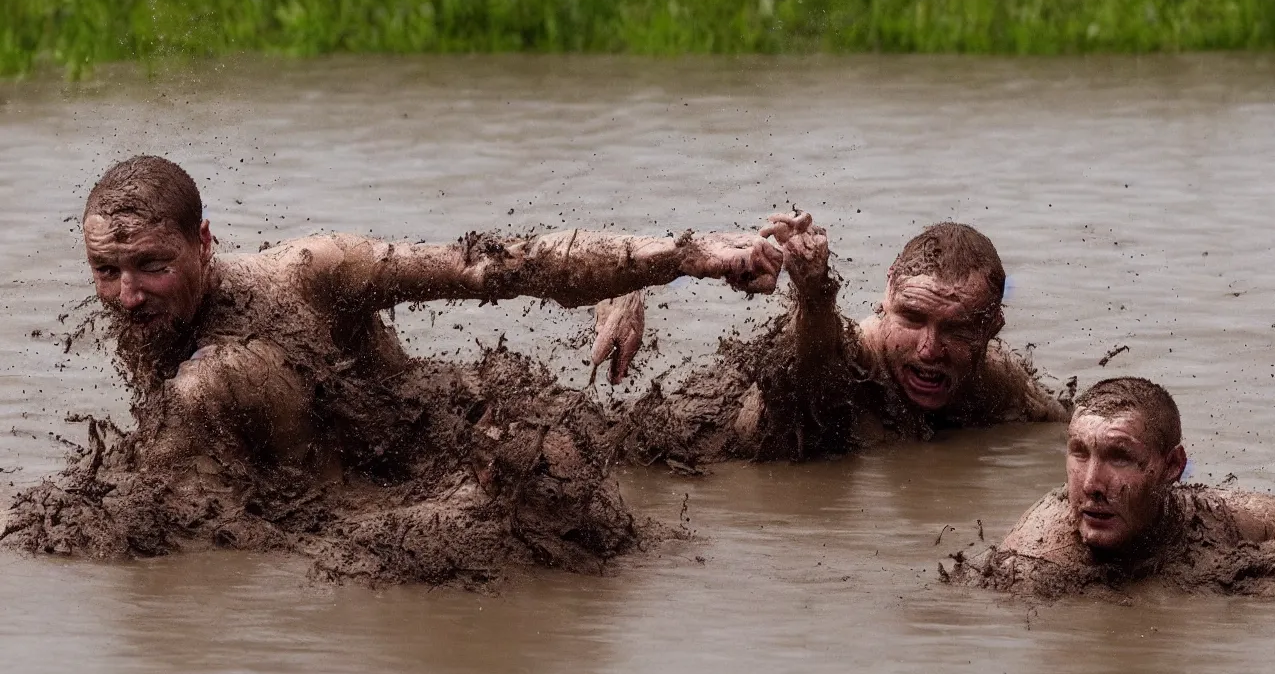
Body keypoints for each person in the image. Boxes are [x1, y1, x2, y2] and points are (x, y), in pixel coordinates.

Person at [1, 154, 784, 583]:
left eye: (150, 265)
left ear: (205, 242)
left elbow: (491, 266)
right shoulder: (149, 317)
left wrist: (678, 260)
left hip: (431, 462)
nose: (127, 296)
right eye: (107, 271)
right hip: (320, 518)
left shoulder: (309, 272)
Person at [592, 211, 1071, 466]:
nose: (930, 348)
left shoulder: (999, 384)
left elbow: (1061, 432)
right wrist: (815, 289)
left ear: (993, 328)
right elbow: (816, 378)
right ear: (886, 297)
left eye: (959, 329)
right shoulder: (850, 346)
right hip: (699, 443)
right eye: (912, 317)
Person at [952, 376, 1275, 597]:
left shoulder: (1229, 520)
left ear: (1173, 466)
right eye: (1079, 453)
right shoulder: (1036, 557)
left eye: (1119, 457)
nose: (1092, 485)